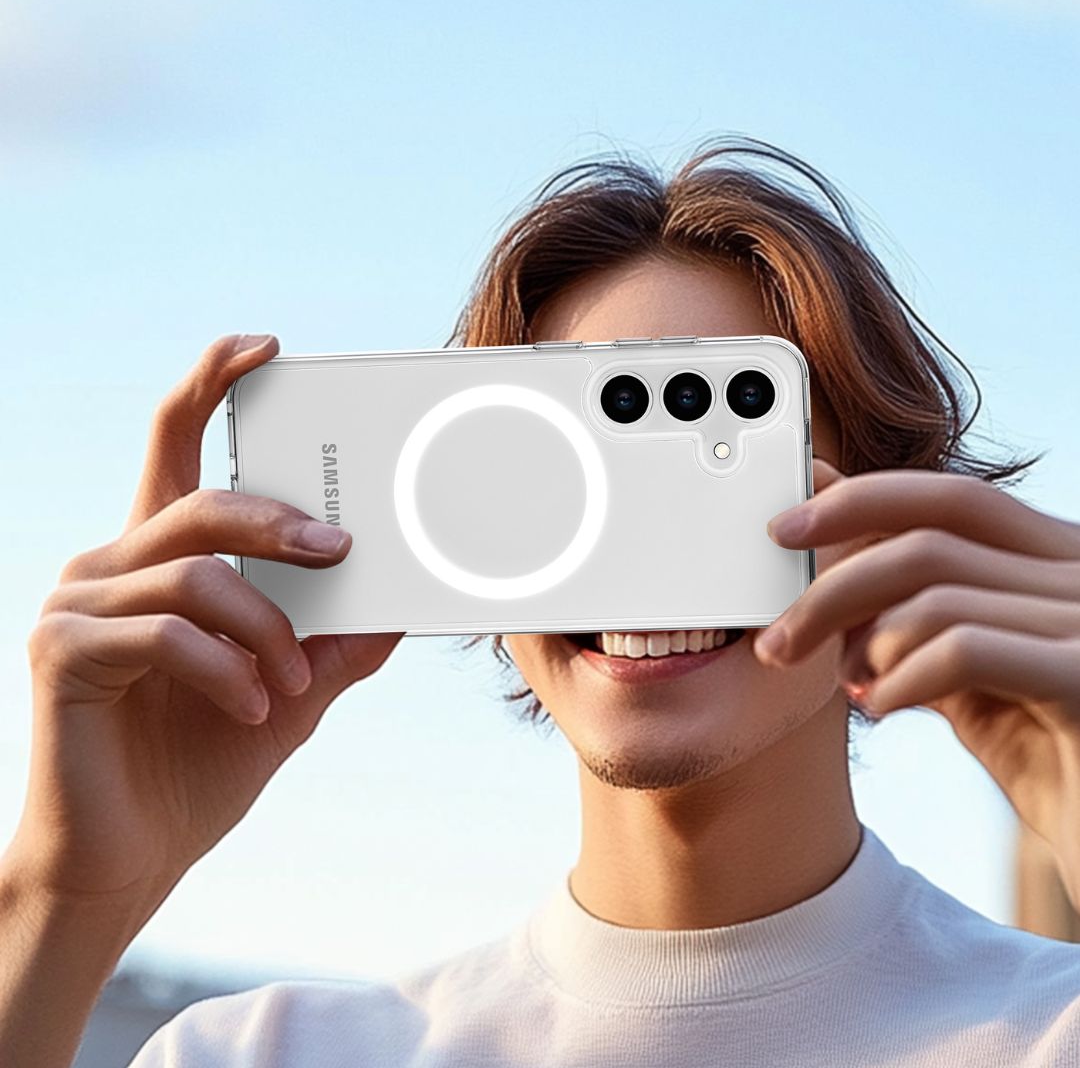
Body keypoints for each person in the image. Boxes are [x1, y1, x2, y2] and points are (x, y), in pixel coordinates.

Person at [2, 136, 1080, 1068]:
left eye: (716, 452)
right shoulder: (261, 1056)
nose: (639, 562)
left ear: (893, 522)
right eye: (556, 480)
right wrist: (62, 898)